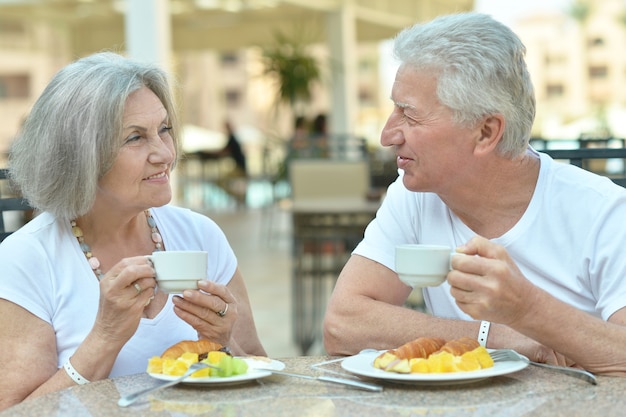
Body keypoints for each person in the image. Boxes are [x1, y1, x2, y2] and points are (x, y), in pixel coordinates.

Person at [323, 12, 626, 375]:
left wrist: (528, 311)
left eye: (409, 115)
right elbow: (342, 325)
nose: (387, 136)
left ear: (485, 132)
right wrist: (495, 334)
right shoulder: (416, 195)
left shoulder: (605, 214)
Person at [0, 52, 266, 410]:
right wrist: (104, 339)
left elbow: (263, 379)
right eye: (135, 138)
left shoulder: (201, 235)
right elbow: (16, 411)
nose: (164, 154)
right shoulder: (25, 260)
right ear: (82, 156)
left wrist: (223, 342)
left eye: (164, 130)